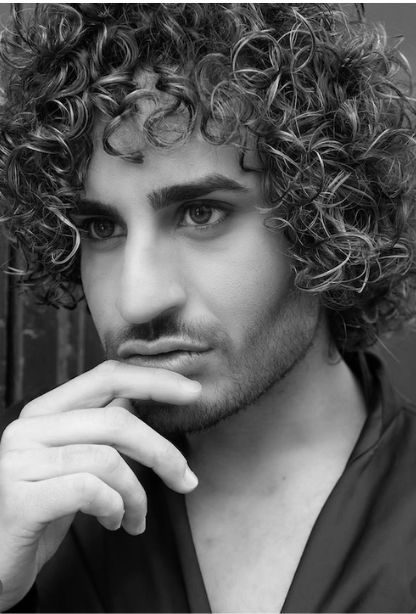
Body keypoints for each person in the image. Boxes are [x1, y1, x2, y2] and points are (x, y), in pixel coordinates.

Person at [0, 3, 416, 612]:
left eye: (201, 214)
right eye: (101, 227)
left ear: (328, 222)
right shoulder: (19, 491)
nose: (138, 298)